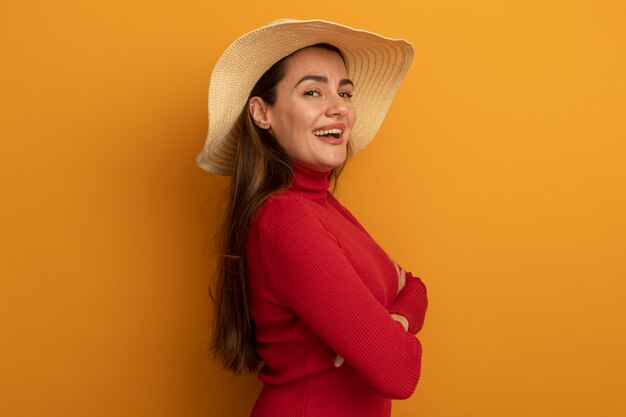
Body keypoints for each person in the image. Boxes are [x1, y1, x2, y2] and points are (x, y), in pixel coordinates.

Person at [196, 19, 428, 417]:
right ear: (261, 113)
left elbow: (417, 288)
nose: (337, 107)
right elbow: (399, 372)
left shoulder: (323, 206)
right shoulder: (286, 219)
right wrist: (389, 328)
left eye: (345, 92)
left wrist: (396, 321)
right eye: (312, 91)